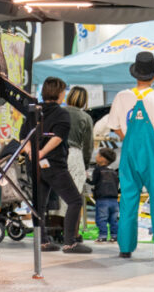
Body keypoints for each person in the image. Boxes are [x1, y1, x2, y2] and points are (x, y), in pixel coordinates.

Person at [108, 51, 154, 260]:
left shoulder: (121, 96)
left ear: (135, 74)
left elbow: (115, 127)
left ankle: (125, 248)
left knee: (128, 200)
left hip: (129, 155)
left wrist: (129, 138)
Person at [20, 76, 92, 254]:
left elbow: (23, 137)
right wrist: (42, 153)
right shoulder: (61, 113)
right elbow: (58, 137)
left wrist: (32, 153)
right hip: (54, 164)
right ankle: (70, 242)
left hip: (34, 164)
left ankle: (42, 241)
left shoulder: (33, 111)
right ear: (60, 94)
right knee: (74, 200)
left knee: (39, 204)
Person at [65, 86, 94, 238]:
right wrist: (86, 164)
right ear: (84, 101)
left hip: (56, 154)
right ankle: (73, 234)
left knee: (57, 196)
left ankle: (54, 230)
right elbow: (88, 145)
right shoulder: (85, 117)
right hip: (74, 156)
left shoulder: (59, 112)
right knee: (75, 198)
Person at [88, 148, 119, 242]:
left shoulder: (97, 170)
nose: (96, 156)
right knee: (114, 219)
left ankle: (102, 236)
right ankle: (115, 236)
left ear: (103, 159)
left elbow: (93, 182)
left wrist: (86, 178)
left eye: (98, 155)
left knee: (101, 219)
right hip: (114, 200)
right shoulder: (114, 172)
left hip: (102, 200)